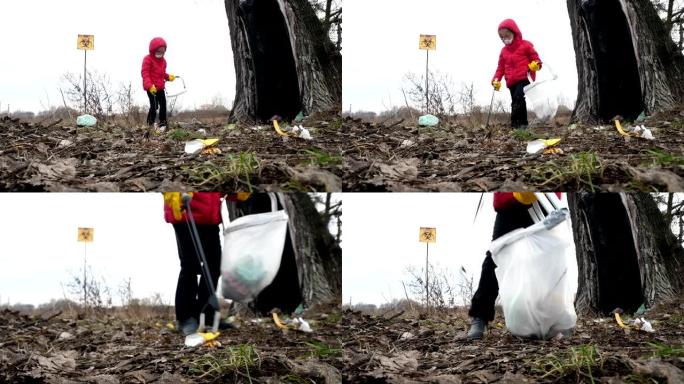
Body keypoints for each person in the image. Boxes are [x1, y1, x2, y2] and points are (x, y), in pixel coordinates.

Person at [467, 192, 560, 340]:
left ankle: (540, 322)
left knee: (541, 262)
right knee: (495, 257)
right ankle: (480, 316)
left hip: (542, 205)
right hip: (509, 203)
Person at [163, 192, 222, 336]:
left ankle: (206, 315)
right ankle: (185, 318)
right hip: (186, 211)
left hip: (210, 216)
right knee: (190, 265)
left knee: (214, 265)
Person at [491, 19, 542, 130]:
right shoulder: (503, 51)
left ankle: (523, 125)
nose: (505, 39)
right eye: (502, 37)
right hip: (511, 81)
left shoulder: (525, 45)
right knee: (514, 101)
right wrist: (496, 80)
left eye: (507, 35)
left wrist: (536, 65)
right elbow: (500, 68)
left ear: (514, 32)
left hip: (524, 77)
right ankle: (515, 126)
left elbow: (537, 60)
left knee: (519, 97)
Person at [141, 37, 177, 132]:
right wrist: (149, 86)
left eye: (163, 51)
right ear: (153, 50)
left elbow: (162, 74)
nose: (161, 53)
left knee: (163, 105)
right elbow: (145, 73)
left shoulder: (163, 62)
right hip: (151, 88)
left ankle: (163, 124)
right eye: (158, 50)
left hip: (160, 88)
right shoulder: (147, 59)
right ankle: (150, 124)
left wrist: (168, 77)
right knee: (154, 106)